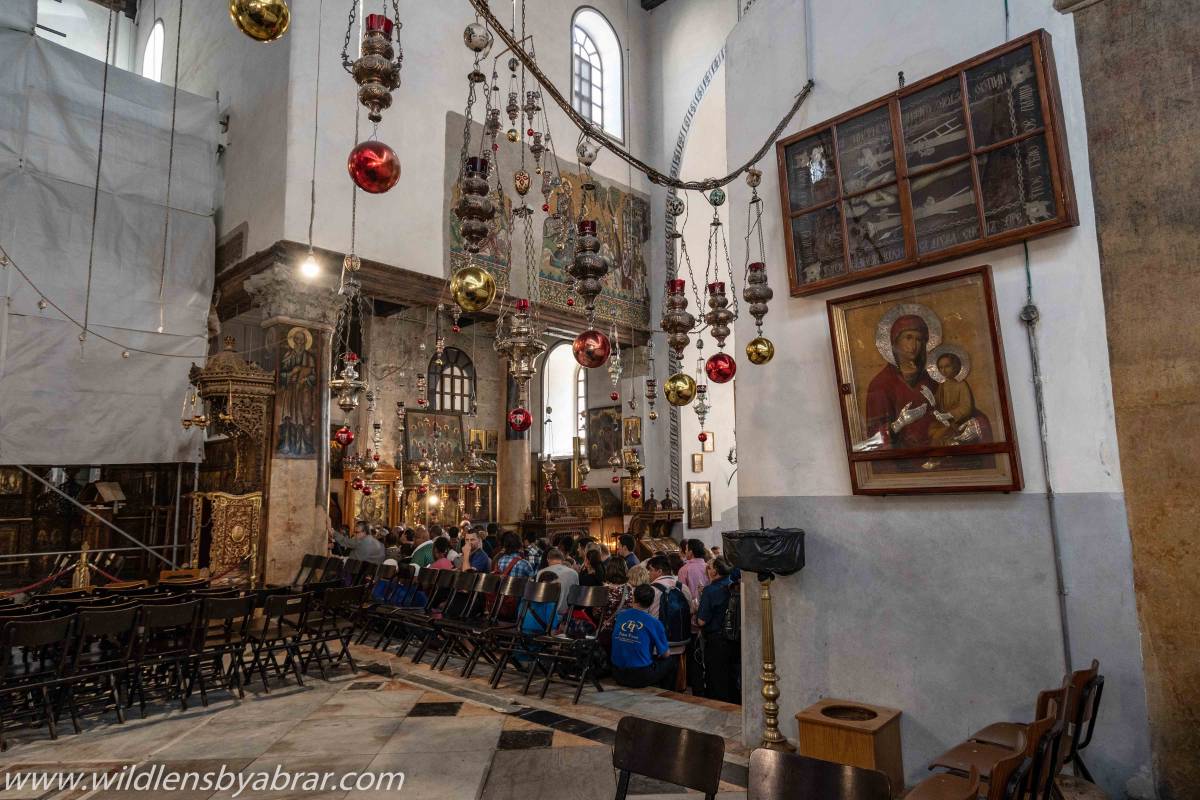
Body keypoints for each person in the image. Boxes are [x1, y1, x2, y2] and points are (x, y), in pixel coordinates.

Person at [865, 312, 939, 449]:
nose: (914, 345)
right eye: (908, 337)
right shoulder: (881, 384)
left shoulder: (929, 381)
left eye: (919, 339)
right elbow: (874, 440)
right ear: (896, 341)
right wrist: (900, 423)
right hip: (904, 458)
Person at [610, 584, 675, 689]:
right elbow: (665, 654)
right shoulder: (654, 623)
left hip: (617, 673)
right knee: (671, 662)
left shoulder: (620, 616)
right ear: (652, 602)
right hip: (640, 675)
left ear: (634, 598)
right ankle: (667, 695)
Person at [696, 557, 739, 703]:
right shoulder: (733, 585)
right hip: (734, 638)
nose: (707, 570)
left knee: (716, 678)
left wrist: (697, 609)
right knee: (732, 676)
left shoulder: (710, 590)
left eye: (709, 567)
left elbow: (702, 620)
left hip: (716, 640)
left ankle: (718, 708)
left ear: (716, 571)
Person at [538, 547, 579, 619]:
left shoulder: (541, 573)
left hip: (544, 616)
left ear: (548, 559)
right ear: (563, 560)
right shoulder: (574, 573)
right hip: (567, 617)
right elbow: (576, 597)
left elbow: (538, 597)